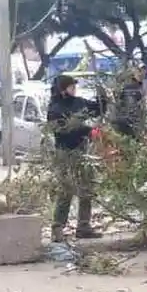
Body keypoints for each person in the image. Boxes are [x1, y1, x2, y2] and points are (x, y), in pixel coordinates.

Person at [47, 74, 105, 243]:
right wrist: (88, 131)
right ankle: (57, 228)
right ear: (63, 89)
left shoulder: (79, 102)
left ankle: (84, 226)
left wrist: (102, 96)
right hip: (65, 153)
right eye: (71, 87)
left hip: (82, 151)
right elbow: (66, 129)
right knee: (66, 190)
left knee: (87, 188)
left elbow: (97, 108)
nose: (74, 89)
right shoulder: (55, 108)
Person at [111, 64, 146, 139]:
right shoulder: (128, 88)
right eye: (140, 72)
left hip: (135, 120)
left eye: (143, 73)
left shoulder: (139, 86)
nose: (142, 75)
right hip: (127, 121)